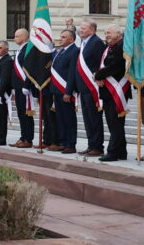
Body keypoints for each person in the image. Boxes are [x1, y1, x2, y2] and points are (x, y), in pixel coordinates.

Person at [94, 24, 130, 162]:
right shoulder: (110, 47)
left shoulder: (121, 46)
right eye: (105, 32)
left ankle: (113, 152)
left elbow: (115, 66)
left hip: (117, 90)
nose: (106, 35)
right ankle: (121, 151)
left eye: (109, 32)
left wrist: (97, 76)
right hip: (108, 90)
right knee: (114, 123)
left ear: (118, 34)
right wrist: (98, 76)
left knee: (115, 123)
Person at [75, 18, 106, 157]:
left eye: (84, 28)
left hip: (93, 87)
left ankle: (98, 147)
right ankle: (91, 145)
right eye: (80, 28)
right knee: (87, 119)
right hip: (84, 88)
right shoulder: (84, 42)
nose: (80, 30)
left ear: (92, 29)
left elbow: (100, 64)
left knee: (94, 118)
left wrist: (98, 77)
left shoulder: (97, 42)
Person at [50, 29, 79, 154]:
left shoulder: (74, 51)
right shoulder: (60, 51)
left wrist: (68, 92)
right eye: (60, 36)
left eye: (63, 37)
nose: (60, 39)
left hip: (65, 91)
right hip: (57, 90)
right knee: (60, 118)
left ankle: (71, 144)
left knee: (69, 118)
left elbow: (72, 73)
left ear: (71, 39)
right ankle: (63, 142)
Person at [9, 28, 36, 148]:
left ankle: (28, 139)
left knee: (26, 114)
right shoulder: (20, 50)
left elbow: (29, 69)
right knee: (20, 113)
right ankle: (23, 136)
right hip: (18, 87)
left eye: (17, 36)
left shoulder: (28, 49)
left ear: (24, 37)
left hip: (25, 88)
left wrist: (26, 85)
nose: (15, 38)